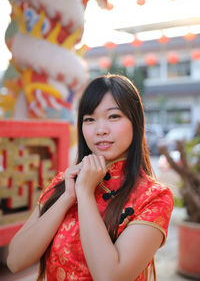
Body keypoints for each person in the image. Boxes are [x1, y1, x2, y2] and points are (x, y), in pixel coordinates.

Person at [7, 74, 174, 281]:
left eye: (113, 116)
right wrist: (68, 197)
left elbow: (110, 277)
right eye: (89, 119)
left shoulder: (154, 197)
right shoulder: (64, 182)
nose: (100, 130)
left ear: (135, 122)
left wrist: (85, 193)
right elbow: (15, 260)